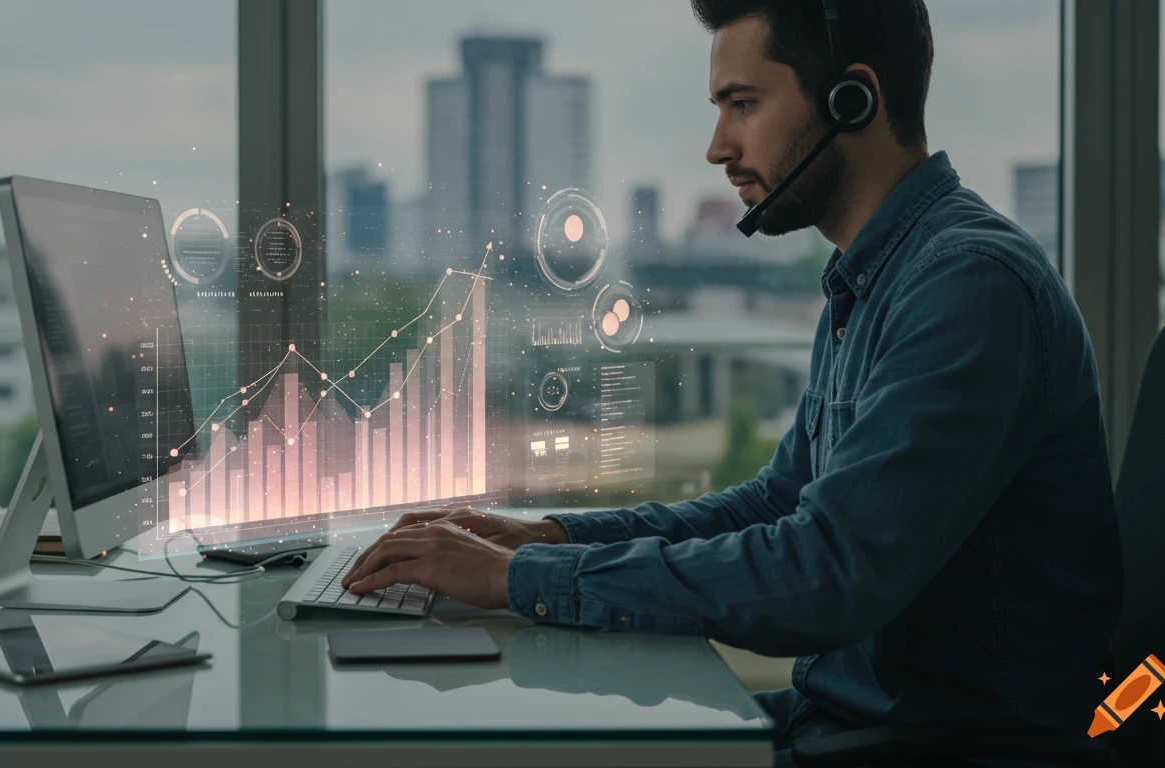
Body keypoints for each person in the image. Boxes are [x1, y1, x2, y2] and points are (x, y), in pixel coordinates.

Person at [343, 0, 1121, 762]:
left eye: (743, 104)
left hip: (944, 743)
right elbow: (780, 502)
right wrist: (551, 537)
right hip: (844, 720)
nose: (717, 148)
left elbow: (827, 575)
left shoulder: (967, 287)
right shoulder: (875, 278)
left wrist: (522, 579)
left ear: (854, 100)